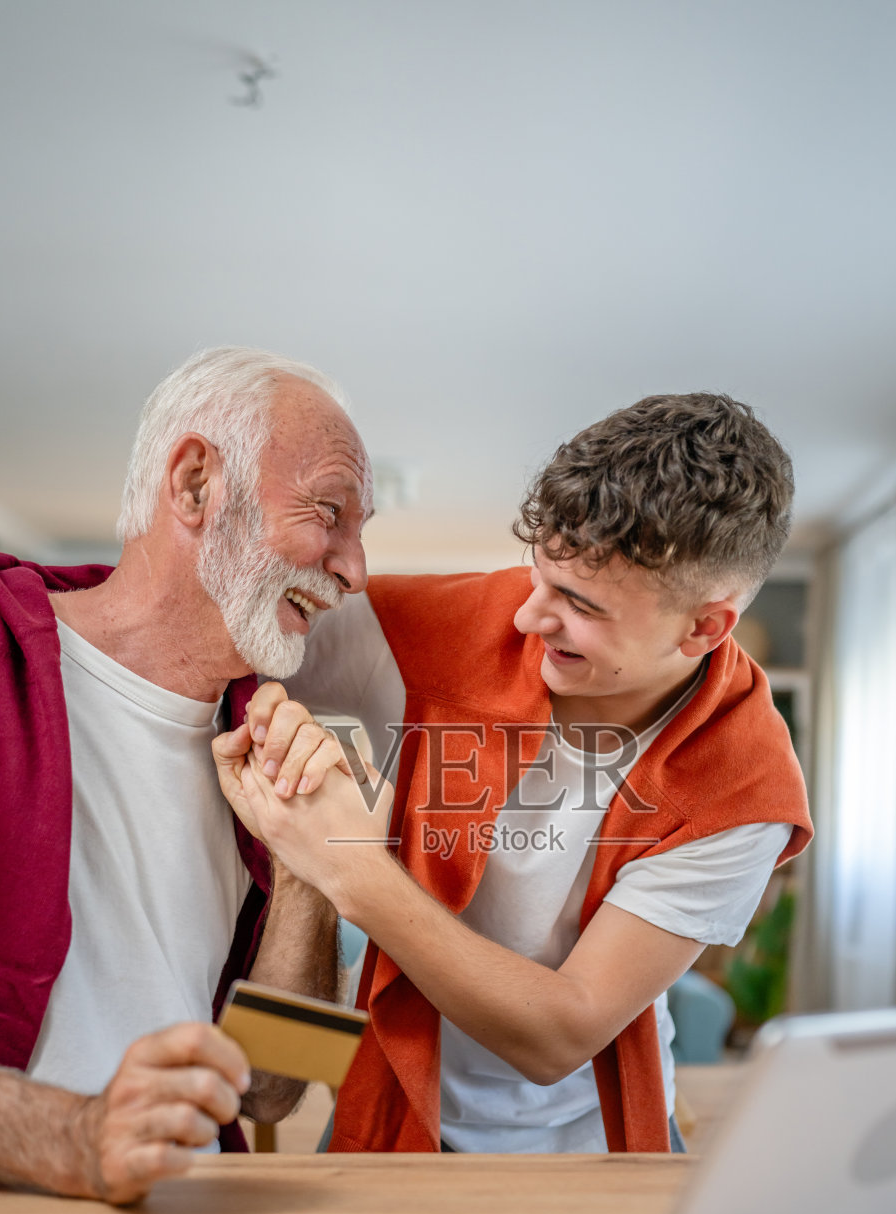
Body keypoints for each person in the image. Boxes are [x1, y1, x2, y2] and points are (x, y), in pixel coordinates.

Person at [215, 393, 812, 1154]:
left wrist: (350, 869)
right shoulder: (427, 630)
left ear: (704, 627)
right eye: (539, 578)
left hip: (600, 1137)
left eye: (577, 603)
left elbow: (561, 1034)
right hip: (388, 1107)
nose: (527, 618)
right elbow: (218, 653)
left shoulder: (743, 785)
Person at [0, 346, 372, 1202]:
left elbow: (273, 1087)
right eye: (328, 513)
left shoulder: (264, 740)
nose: (353, 571)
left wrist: (309, 872)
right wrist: (71, 1138)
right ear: (193, 485)